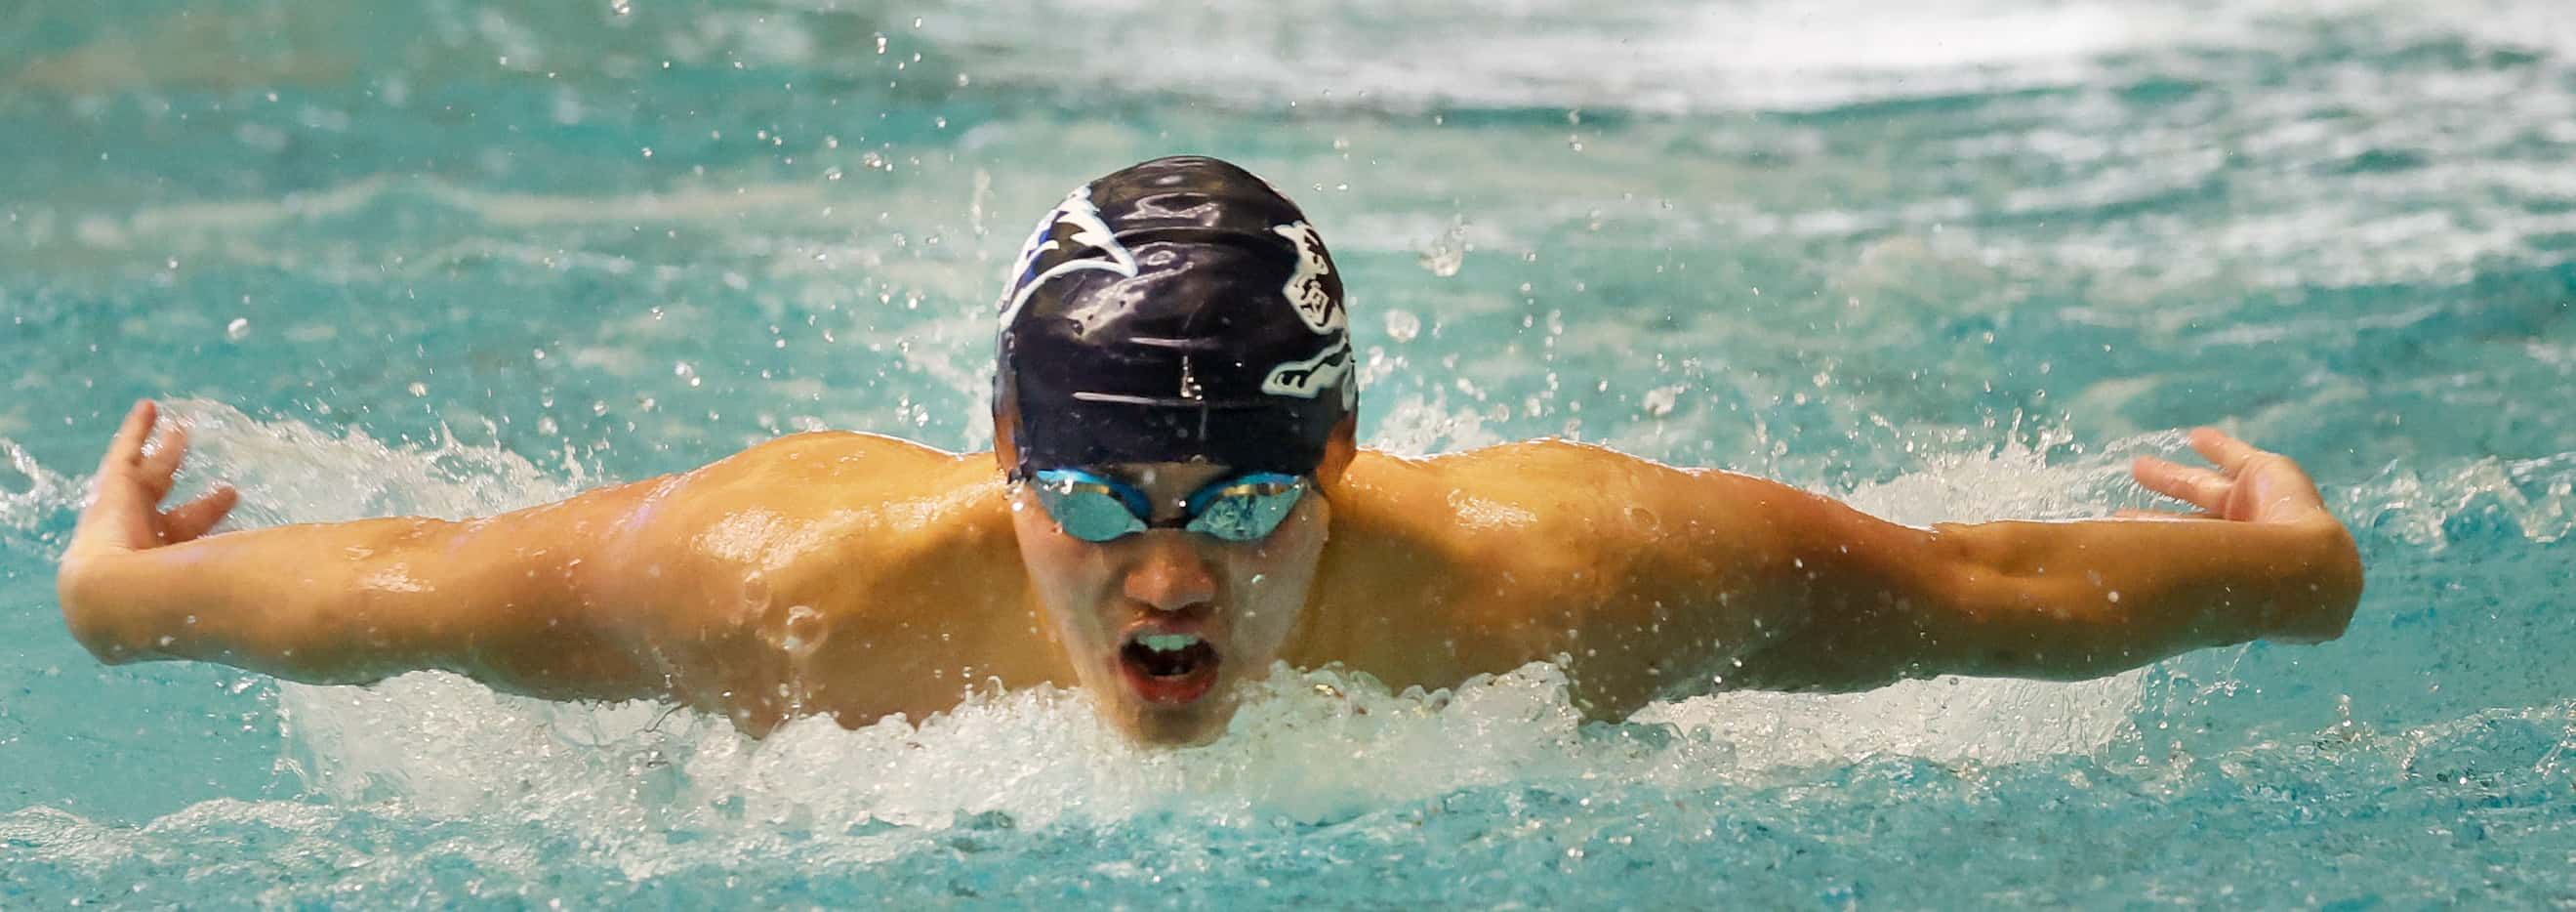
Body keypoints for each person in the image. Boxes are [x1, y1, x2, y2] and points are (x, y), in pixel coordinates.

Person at [54, 156, 2365, 747]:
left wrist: (2293, 568)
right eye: (1099, 499)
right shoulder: (784, 579)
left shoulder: (1561, 577)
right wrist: (121, 591)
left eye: (1241, 496)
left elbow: (1978, 594)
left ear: (1343, 457)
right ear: (998, 456)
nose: (1170, 571)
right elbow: (391, 591)